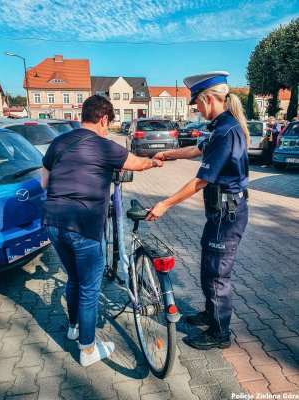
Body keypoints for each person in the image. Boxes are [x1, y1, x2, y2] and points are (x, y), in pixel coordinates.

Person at [41, 95, 163, 367]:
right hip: (84, 226)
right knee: (88, 288)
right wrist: (154, 161)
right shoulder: (105, 146)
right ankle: (87, 351)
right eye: (109, 124)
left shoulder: (58, 142)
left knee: (73, 277)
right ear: (104, 119)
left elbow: (44, 183)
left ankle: (73, 329)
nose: (108, 129)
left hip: (53, 223)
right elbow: (138, 164)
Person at [146, 71, 250, 350]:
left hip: (226, 214)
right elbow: (196, 150)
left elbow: (200, 180)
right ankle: (210, 313)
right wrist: (167, 154)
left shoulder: (225, 131)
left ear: (207, 99)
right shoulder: (222, 126)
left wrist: (164, 204)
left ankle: (219, 333)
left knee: (217, 274)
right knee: (209, 266)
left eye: (197, 103)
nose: (196, 109)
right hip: (221, 213)